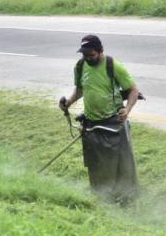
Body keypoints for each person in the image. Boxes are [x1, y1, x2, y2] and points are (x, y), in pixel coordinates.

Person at [59, 35, 141, 205]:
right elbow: (80, 90)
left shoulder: (113, 66)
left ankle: (126, 197)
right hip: (92, 124)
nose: (88, 58)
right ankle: (101, 195)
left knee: (122, 164)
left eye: (91, 54)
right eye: (85, 55)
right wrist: (68, 103)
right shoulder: (81, 66)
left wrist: (127, 110)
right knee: (97, 164)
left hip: (113, 123)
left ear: (100, 51)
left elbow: (133, 90)